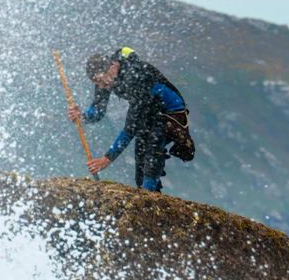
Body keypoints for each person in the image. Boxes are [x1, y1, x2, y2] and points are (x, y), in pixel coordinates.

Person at [68, 47, 195, 192]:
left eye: (101, 81)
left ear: (113, 67)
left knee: (152, 148)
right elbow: (98, 111)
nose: (101, 87)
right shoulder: (106, 79)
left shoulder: (136, 76)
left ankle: (149, 195)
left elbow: (130, 128)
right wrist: (82, 116)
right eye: (97, 83)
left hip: (170, 112)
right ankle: (147, 192)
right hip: (149, 110)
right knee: (140, 159)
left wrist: (107, 159)